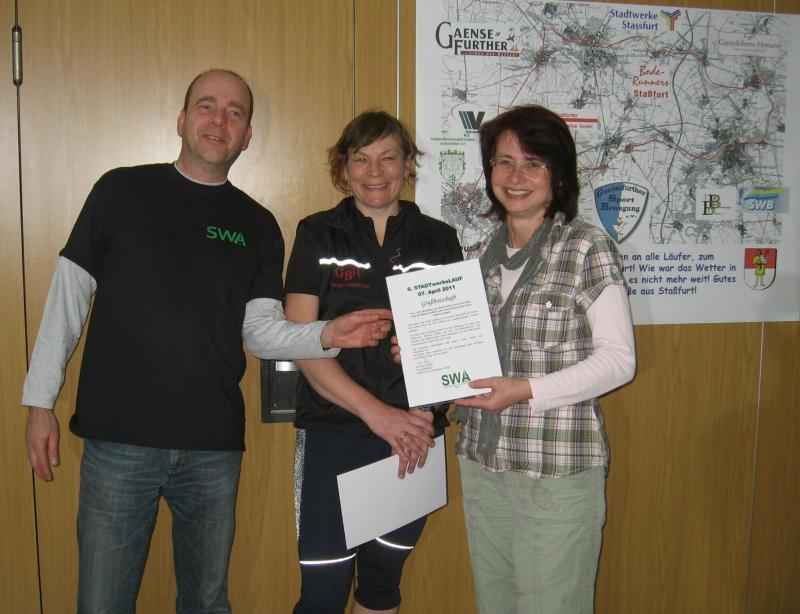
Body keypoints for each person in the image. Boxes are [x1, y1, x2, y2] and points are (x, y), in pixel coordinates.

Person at [21, 69, 394, 614]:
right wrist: (39, 403)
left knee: (206, 602)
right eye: (206, 106)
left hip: (212, 448)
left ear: (247, 136)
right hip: (118, 443)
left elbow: (261, 332)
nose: (220, 120)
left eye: (235, 112)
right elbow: (67, 299)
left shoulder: (257, 224)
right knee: (101, 604)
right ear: (181, 120)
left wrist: (327, 333)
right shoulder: (119, 191)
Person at [449, 105, 636, 613]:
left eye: (533, 163)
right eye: (504, 162)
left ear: (558, 174)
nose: (516, 177)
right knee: (496, 605)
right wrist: (423, 356)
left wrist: (526, 390)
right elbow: (467, 357)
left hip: (554, 469)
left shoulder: (586, 248)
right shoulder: (476, 257)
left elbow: (619, 360)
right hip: (483, 462)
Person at [284, 111, 462, 614]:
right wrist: (378, 415)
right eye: (361, 159)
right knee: (323, 592)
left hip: (414, 435)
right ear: (344, 168)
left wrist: (425, 413)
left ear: (407, 165)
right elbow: (300, 341)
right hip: (334, 433)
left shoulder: (439, 239)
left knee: (382, 584)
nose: (375, 171)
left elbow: (455, 342)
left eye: (388, 157)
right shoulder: (318, 233)